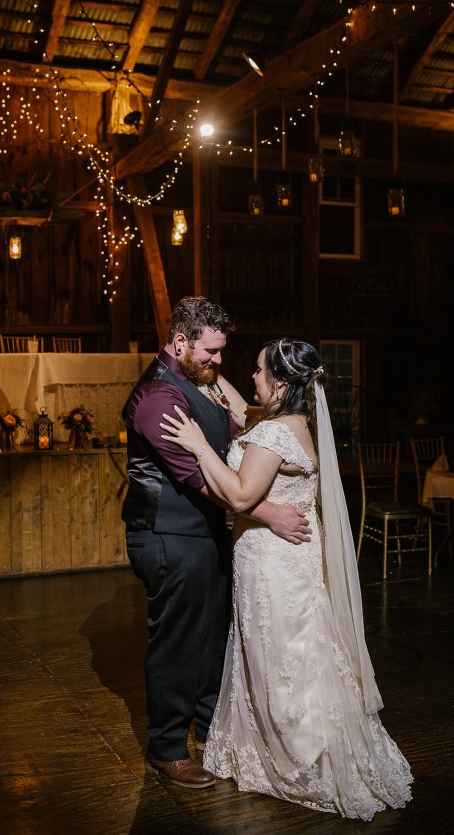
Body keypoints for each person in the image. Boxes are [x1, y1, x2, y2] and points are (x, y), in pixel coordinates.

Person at [160, 338, 413, 819]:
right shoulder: (295, 421)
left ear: (278, 381)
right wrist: (208, 369)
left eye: (257, 370)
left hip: (274, 563)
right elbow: (242, 406)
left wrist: (197, 445)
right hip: (283, 559)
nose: (250, 377)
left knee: (281, 657)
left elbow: (237, 495)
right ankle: (292, 744)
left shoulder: (273, 434)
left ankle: (299, 758)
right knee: (294, 650)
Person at [121, 299, 311, 789]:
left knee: (211, 637)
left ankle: (209, 728)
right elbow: (200, 482)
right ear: (180, 342)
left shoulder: (196, 384)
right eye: (211, 351)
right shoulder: (160, 398)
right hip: (168, 535)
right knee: (178, 640)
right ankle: (166, 748)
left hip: (204, 533)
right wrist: (270, 514)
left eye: (223, 352)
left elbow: (241, 427)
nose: (218, 361)